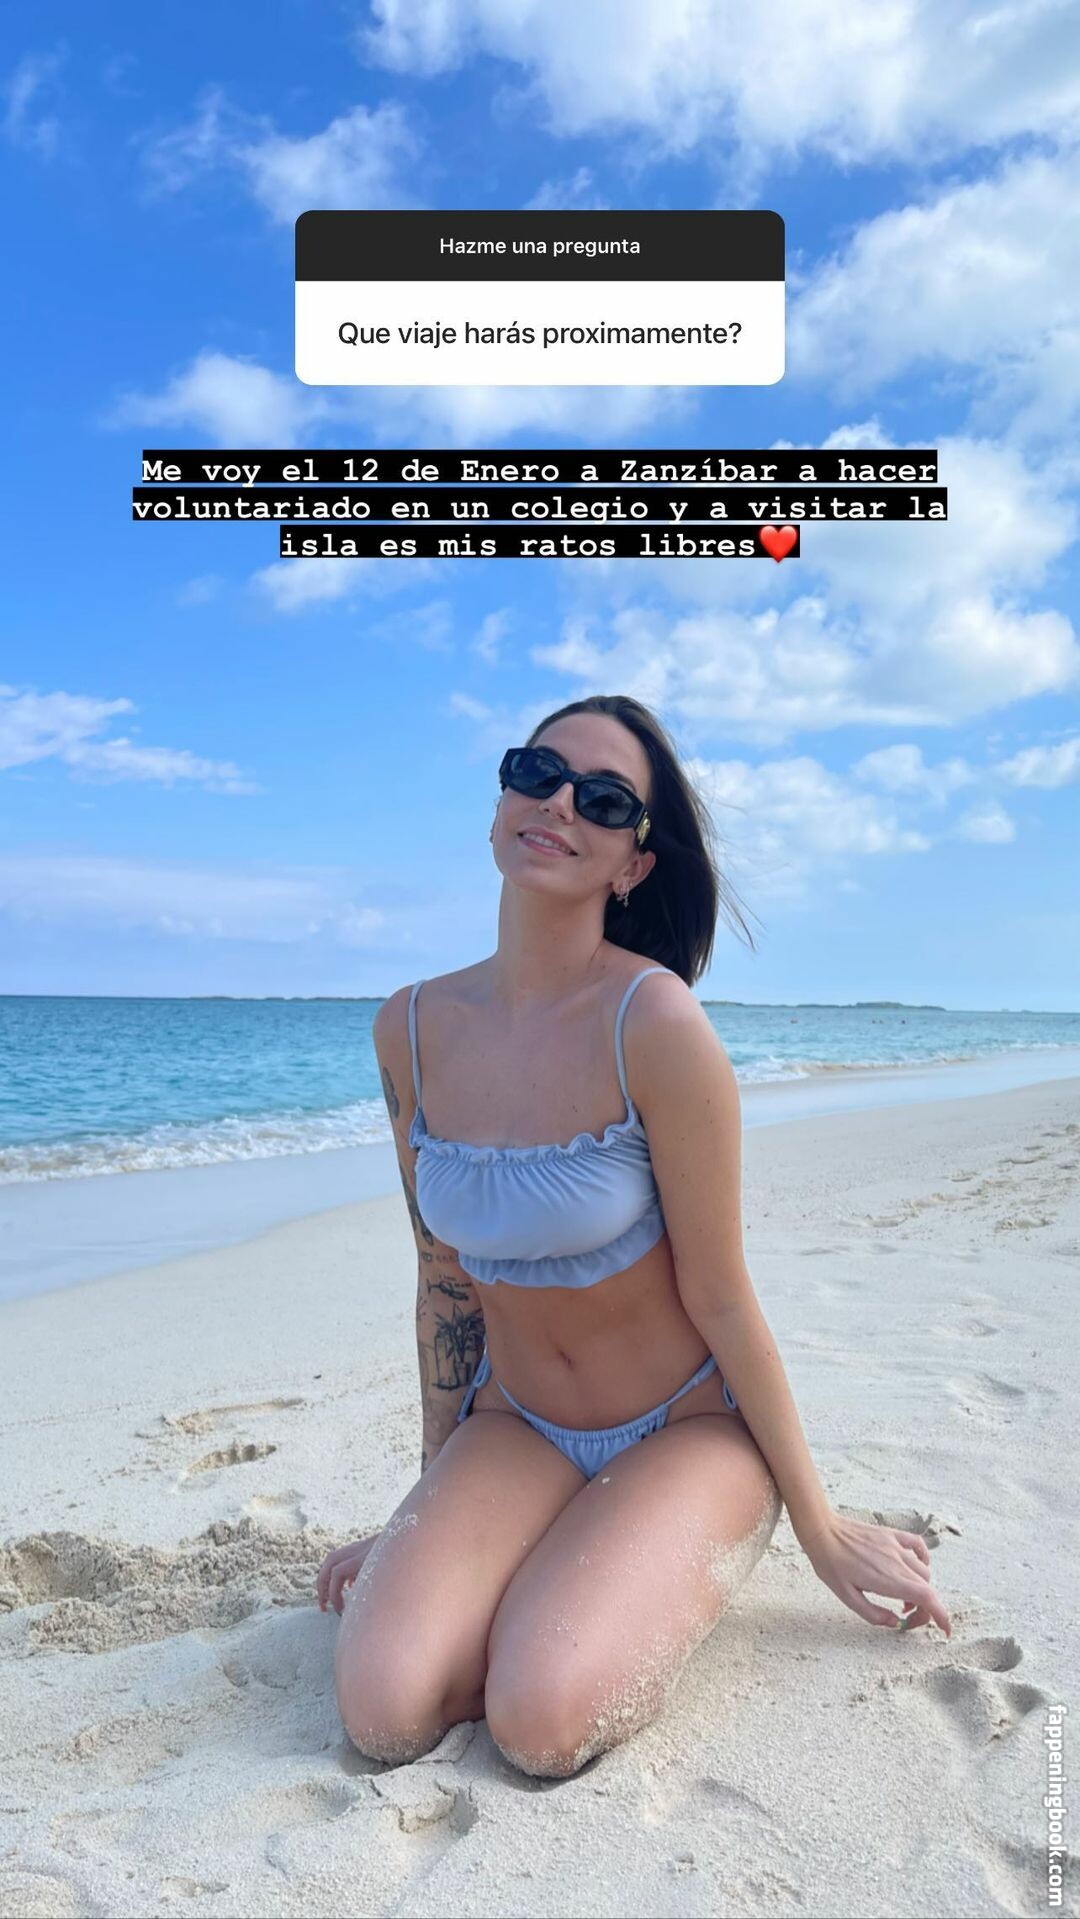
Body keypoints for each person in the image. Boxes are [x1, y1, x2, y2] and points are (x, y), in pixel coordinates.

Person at [317, 694, 950, 1777]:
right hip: (516, 1423)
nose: (561, 802)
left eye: (604, 799)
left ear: (633, 863)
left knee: (539, 1716)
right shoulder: (409, 1028)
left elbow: (721, 1293)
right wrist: (422, 1508)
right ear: (500, 804)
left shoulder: (654, 1024)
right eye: (538, 772)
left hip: (685, 1427)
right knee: (385, 1711)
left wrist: (821, 1523)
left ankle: (676, 1534)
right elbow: (443, 1284)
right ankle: (546, 1547)